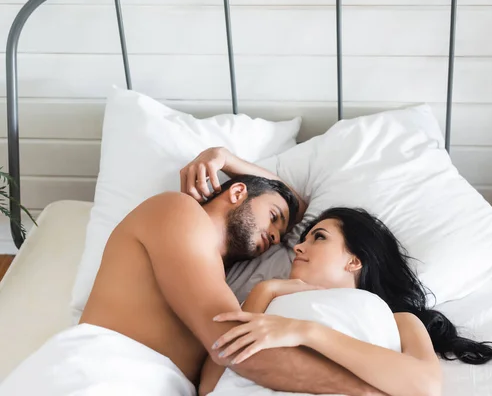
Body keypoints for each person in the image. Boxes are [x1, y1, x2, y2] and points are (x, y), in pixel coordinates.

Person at [0, 148, 386, 396]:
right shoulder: (176, 212)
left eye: (280, 232)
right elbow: (236, 349)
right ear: (236, 193)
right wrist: (370, 389)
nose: (275, 235)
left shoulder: (212, 267)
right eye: (273, 217)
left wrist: (231, 160)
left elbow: (297, 203)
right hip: (100, 372)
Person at [200, 207, 492, 396]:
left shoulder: (400, 321)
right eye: (304, 239)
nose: (298, 247)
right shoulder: (267, 295)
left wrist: (305, 331)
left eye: (318, 237)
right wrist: (265, 290)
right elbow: (211, 385)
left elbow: (423, 387)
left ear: (355, 261)